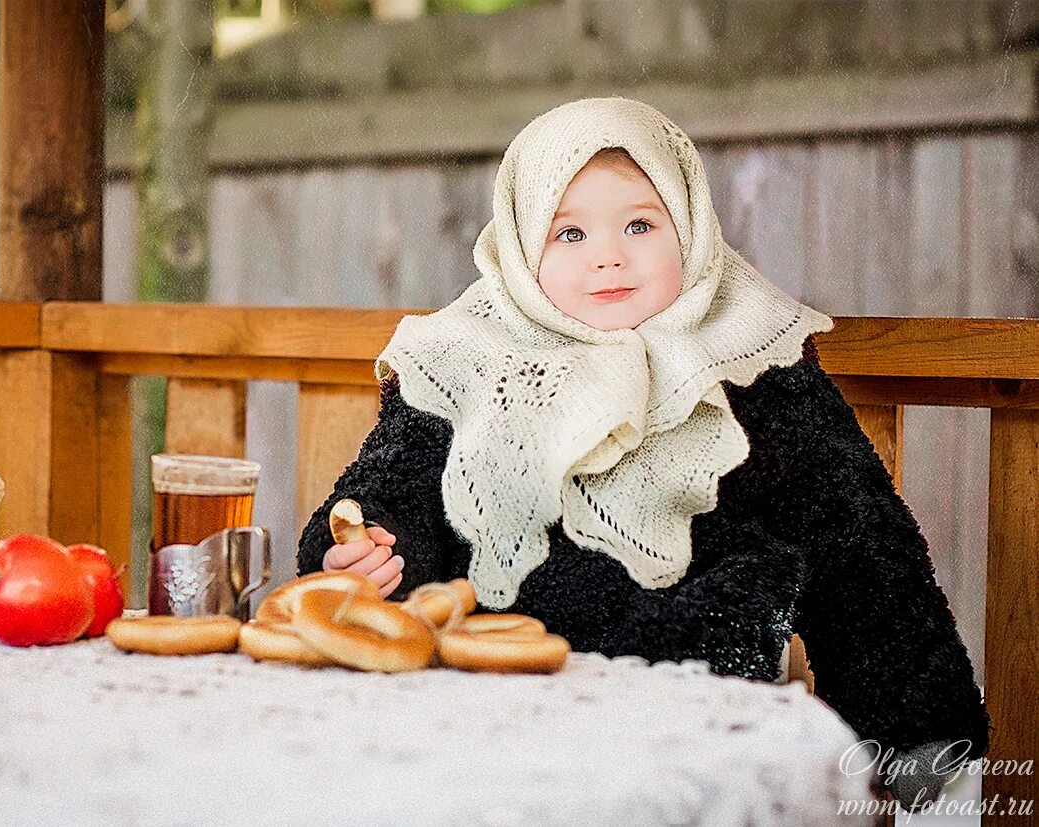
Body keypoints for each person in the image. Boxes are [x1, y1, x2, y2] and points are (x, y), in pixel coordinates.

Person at [294, 97, 988, 812]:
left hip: (700, 703)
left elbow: (859, 543)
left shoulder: (752, 358)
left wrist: (922, 746)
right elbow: (391, 481)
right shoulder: (466, 355)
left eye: (639, 223)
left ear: (689, 225)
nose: (608, 254)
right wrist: (370, 544)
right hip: (503, 700)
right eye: (568, 232)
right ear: (520, 247)